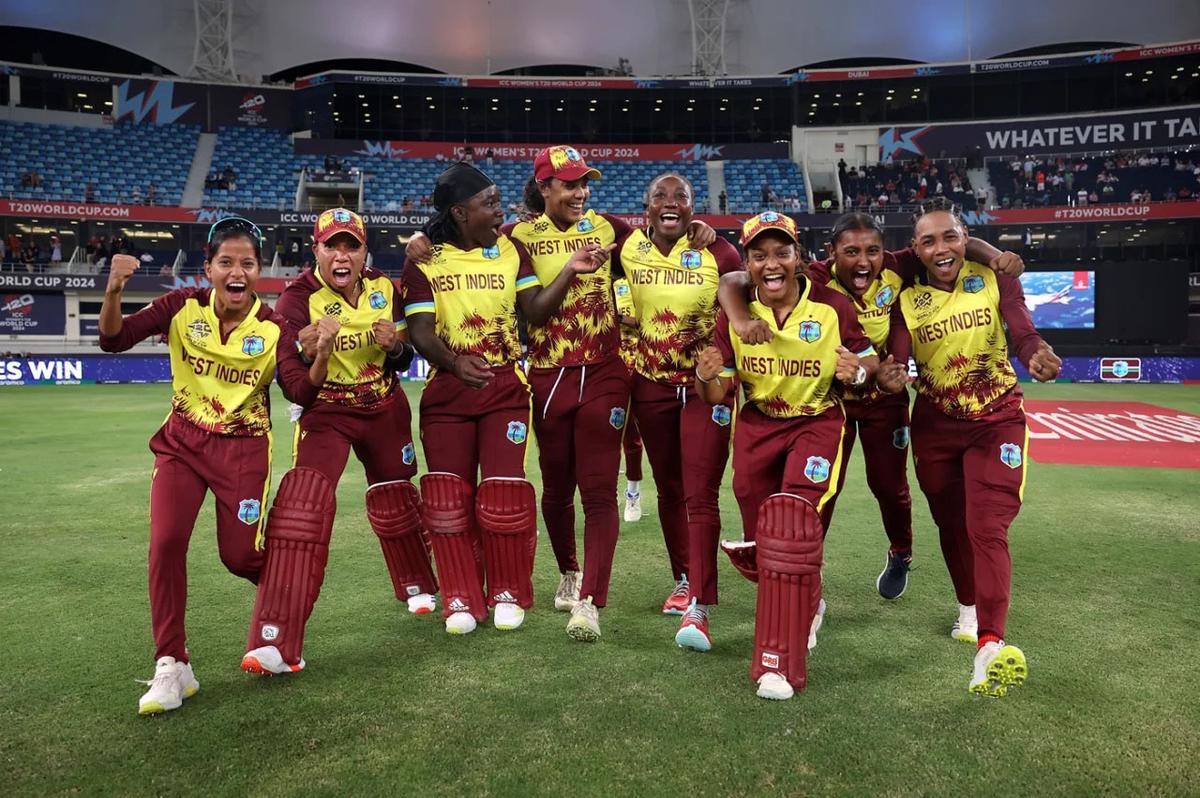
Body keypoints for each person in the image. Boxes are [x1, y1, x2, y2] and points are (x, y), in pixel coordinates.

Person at [717, 213, 1023, 600]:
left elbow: (956, 245)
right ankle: (808, 568)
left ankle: (901, 552)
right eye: (851, 252)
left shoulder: (896, 266)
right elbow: (732, 280)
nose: (863, 261)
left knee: (889, 486)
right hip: (832, 402)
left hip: (885, 399)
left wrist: (994, 254)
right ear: (830, 254)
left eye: (872, 251)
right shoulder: (810, 276)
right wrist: (741, 319)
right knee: (825, 489)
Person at [98, 217, 309, 714]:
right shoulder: (180, 307)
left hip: (243, 452)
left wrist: (315, 357)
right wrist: (112, 292)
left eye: (248, 263)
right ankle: (173, 665)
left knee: (240, 558)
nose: (237, 272)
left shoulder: (275, 327)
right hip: (182, 446)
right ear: (210, 268)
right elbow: (114, 340)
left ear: (260, 270)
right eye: (226, 262)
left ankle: (286, 616)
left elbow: (299, 391)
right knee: (166, 543)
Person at [402, 161, 611, 636]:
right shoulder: (425, 258)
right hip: (447, 395)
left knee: (504, 494)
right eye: (489, 204)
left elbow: (534, 310)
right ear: (459, 212)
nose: (501, 211)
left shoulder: (512, 249)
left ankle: (507, 591)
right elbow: (419, 330)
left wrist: (571, 272)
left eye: (499, 202)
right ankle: (459, 594)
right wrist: (455, 365)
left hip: (505, 392)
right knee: (449, 500)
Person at [876, 198, 1061, 698]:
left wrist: (1036, 352)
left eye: (951, 236)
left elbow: (1021, 329)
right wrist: (893, 374)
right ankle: (968, 608)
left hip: (997, 420)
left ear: (965, 238)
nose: (942, 248)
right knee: (951, 522)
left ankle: (991, 644)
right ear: (915, 250)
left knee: (987, 524)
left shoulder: (994, 275)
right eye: (929, 240)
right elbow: (897, 355)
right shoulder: (905, 298)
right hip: (935, 426)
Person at [694, 212, 878, 700]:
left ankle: (783, 651)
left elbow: (868, 360)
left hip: (816, 422)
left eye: (781, 253)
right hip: (756, 426)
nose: (770, 264)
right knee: (764, 540)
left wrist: (857, 373)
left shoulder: (832, 306)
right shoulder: (734, 314)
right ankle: (809, 601)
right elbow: (715, 394)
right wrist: (708, 374)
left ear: (799, 258)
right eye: (759, 255)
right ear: (749, 262)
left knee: (793, 524)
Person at [241, 207, 429, 677]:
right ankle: (277, 641)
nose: (342, 255)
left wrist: (396, 347)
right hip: (327, 414)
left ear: (365, 251)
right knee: (300, 511)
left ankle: (417, 587)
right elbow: (292, 385)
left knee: (397, 499)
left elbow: (404, 359)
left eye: (352, 246)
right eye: (333, 246)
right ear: (316, 250)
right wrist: (309, 353)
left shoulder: (385, 288)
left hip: (384, 408)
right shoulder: (295, 300)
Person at [612, 173, 742, 653]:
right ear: (645, 207)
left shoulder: (719, 252)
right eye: (660, 197)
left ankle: (700, 601)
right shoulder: (625, 247)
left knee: (700, 489)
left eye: (681, 197)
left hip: (706, 387)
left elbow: (750, 288)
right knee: (669, 487)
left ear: (693, 207)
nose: (671, 203)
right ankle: (685, 578)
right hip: (651, 385)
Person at [612, 275, 645, 523]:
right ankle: (606, 496)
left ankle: (633, 493)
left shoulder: (643, 280)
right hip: (612, 368)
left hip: (643, 366)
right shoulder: (606, 283)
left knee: (633, 437)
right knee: (608, 436)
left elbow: (649, 322)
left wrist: (620, 318)